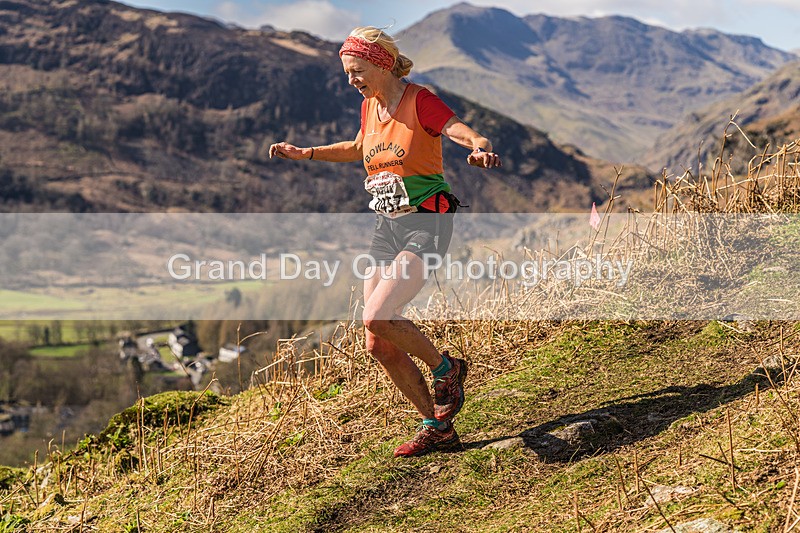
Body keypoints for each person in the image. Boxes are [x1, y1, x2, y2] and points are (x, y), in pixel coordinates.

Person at [269, 26, 502, 457]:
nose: (351, 80)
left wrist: (480, 147)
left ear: (380, 62)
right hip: (387, 227)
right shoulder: (369, 107)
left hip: (427, 222)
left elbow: (459, 130)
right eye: (347, 73)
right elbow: (358, 148)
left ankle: (447, 370)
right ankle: (438, 428)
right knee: (376, 340)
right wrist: (308, 153)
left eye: (356, 70)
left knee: (379, 314)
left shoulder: (419, 100)